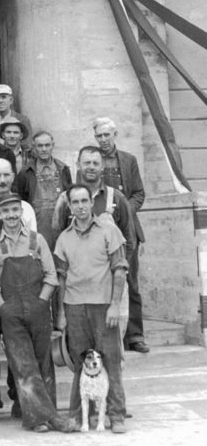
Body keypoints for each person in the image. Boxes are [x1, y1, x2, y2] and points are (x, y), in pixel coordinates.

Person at [0, 193, 76, 434]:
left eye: (15, 210)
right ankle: (41, 419)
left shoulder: (37, 240)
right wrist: (3, 307)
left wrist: (41, 301)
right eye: (6, 211)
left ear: (22, 211)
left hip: (38, 308)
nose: (11, 215)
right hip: (10, 311)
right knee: (23, 366)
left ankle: (47, 415)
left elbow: (51, 275)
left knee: (44, 364)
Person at [55, 184, 130, 434]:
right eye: (75, 202)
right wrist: (62, 314)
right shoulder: (64, 238)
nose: (81, 206)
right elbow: (62, 279)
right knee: (80, 362)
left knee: (111, 360)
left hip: (103, 307)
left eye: (84, 200)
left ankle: (116, 415)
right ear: (70, 205)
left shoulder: (109, 230)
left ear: (91, 202)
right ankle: (77, 416)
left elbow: (120, 269)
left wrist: (115, 305)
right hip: (75, 308)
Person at [0, 158, 36, 404]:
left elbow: (33, 247)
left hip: (18, 288)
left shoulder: (25, 209)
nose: (2, 180)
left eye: (6, 175)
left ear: (13, 177)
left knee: (19, 345)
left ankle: (20, 399)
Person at [93, 117, 149, 353]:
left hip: (126, 230)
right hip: (98, 230)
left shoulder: (128, 160)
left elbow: (138, 193)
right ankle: (104, 335)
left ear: (115, 134)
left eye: (107, 135)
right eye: (99, 136)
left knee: (130, 280)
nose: (103, 140)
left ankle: (134, 336)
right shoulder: (91, 160)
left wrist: (123, 212)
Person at [15, 131, 73, 246]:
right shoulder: (26, 172)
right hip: (37, 225)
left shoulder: (63, 169)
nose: (44, 149)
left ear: (53, 145)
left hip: (61, 224)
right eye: (40, 146)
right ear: (34, 147)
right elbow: (23, 204)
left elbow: (70, 199)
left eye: (47, 145)